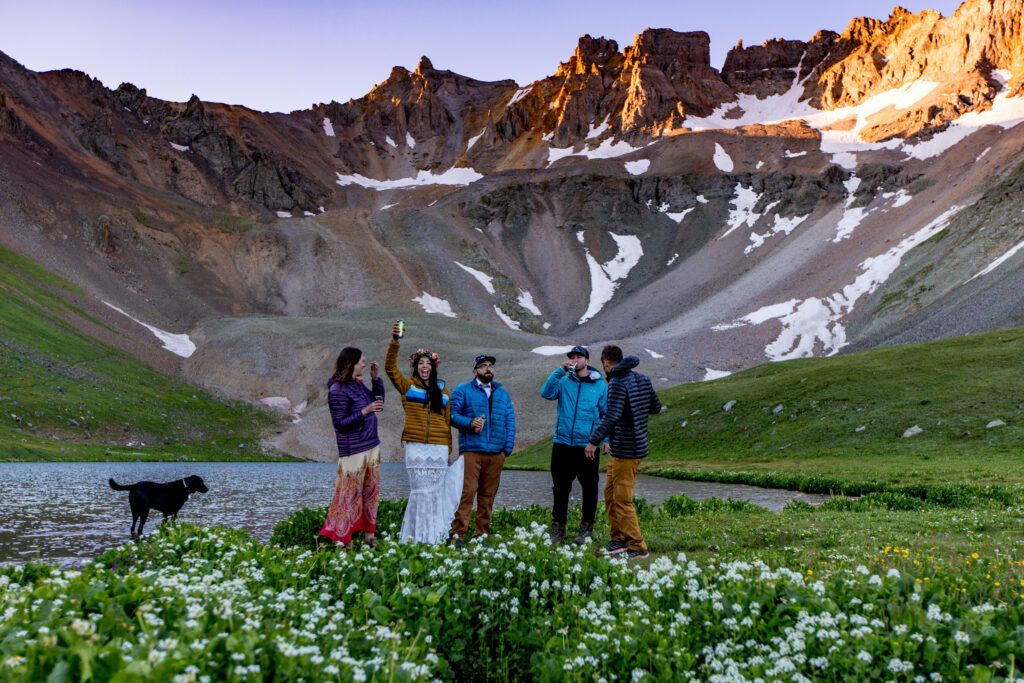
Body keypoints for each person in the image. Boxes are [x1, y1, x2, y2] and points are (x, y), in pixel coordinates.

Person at [384, 323, 462, 544]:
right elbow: (390, 368)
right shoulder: (408, 387)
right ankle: (417, 537)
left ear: (434, 366)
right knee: (419, 492)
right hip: (416, 447)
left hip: (438, 449)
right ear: (415, 367)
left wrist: (448, 448)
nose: (424, 367)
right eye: (421, 363)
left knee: (436, 493)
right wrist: (395, 342)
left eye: (428, 363)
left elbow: (446, 422)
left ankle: (435, 536)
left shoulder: (443, 390)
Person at [586, 345, 662, 560]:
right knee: (610, 494)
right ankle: (618, 539)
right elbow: (655, 407)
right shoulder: (642, 379)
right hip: (632, 447)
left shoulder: (617, 383)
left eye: (604, 366)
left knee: (621, 499)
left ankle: (638, 546)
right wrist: (635, 410)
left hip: (626, 451)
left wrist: (593, 441)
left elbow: (612, 416)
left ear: (606, 364)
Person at [540, 345, 607, 545]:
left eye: (579, 357)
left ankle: (586, 528)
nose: (575, 360)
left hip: (587, 445)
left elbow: (606, 415)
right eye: (572, 357)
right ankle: (558, 528)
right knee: (560, 488)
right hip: (562, 444)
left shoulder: (600, 385)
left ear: (587, 361)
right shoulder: (563, 381)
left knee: (590, 488)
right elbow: (546, 393)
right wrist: (559, 370)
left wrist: (605, 440)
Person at [449, 354, 516, 543]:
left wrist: (506, 449)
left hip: (496, 453)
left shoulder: (502, 392)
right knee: (466, 493)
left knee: (488, 496)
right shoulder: (462, 390)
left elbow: (510, 420)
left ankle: (481, 534)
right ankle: (458, 535)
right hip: (472, 451)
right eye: (483, 366)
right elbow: (451, 415)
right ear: (475, 371)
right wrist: (470, 423)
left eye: (490, 366)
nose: (488, 368)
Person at [321, 347, 384, 548]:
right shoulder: (337, 390)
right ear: (351, 364)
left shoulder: (358, 385)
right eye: (361, 361)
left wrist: (376, 380)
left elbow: (377, 402)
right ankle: (344, 540)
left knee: (370, 491)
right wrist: (365, 411)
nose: (364, 364)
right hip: (353, 449)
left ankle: (369, 536)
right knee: (350, 494)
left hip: (371, 444)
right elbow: (340, 423)